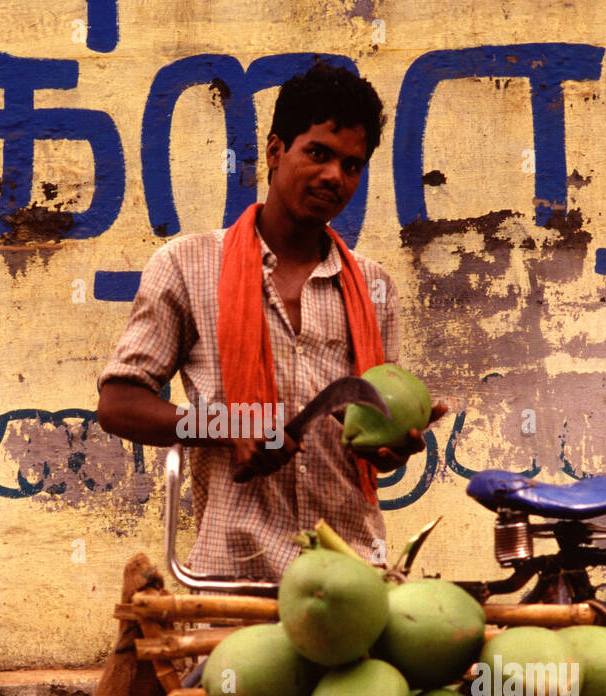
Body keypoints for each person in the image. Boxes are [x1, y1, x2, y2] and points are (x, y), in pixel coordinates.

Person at [97, 63, 442, 581]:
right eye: (318, 153)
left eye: (352, 165)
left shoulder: (374, 287)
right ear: (275, 151)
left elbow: (370, 438)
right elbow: (119, 406)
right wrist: (224, 427)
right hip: (234, 571)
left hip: (349, 576)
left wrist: (390, 448)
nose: (334, 176)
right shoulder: (187, 266)